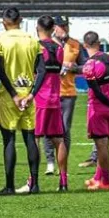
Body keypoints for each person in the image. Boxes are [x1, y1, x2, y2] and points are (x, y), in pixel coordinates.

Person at [0, 7, 40, 195]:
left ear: (4, 22)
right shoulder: (32, 40)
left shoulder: (0, 40)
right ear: (21, 20)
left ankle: (10, 186)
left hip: (9, 96)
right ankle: (34, 184)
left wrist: (13, 94)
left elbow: (1, 71)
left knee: (9, 140)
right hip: (28, 94)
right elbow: (40, 69)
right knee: (30, 139)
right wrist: (30, 94)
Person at [27, 16, 68, 191]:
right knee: (59, 140)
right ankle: (64, 181)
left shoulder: (36, 47)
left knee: (34, 138)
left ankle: (33, 180)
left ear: (37, 28)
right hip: (55, 98)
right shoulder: (59, 49)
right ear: (53, 29)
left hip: (40, 99)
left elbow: (35, 72)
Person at [82, 47, 109, 191]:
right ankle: (97, 178)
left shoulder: (90, 65)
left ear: (86, 46)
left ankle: (106, 182)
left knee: (101, 147)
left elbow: (98, 93)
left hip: (98, 109)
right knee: (104, 145)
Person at [46, 16, 84, 174]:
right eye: (61, 26)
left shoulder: (75, 44)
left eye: (66, 26)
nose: (65, 29)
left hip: (68, 92)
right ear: (55, 27)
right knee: (48, 128)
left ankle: (63, 163)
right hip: (49, 92)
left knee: (65, 129)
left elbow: (84, 67)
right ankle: (50, 162)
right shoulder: (47, 44)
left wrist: (74, 67)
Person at [77, 32, 103, 168]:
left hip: (97, 104)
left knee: (101, 141)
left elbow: (94, 88)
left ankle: (102, 177)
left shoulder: (90, 65)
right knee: (104, 141)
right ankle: (102, 175)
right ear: (98, 43)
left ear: (84, 45)